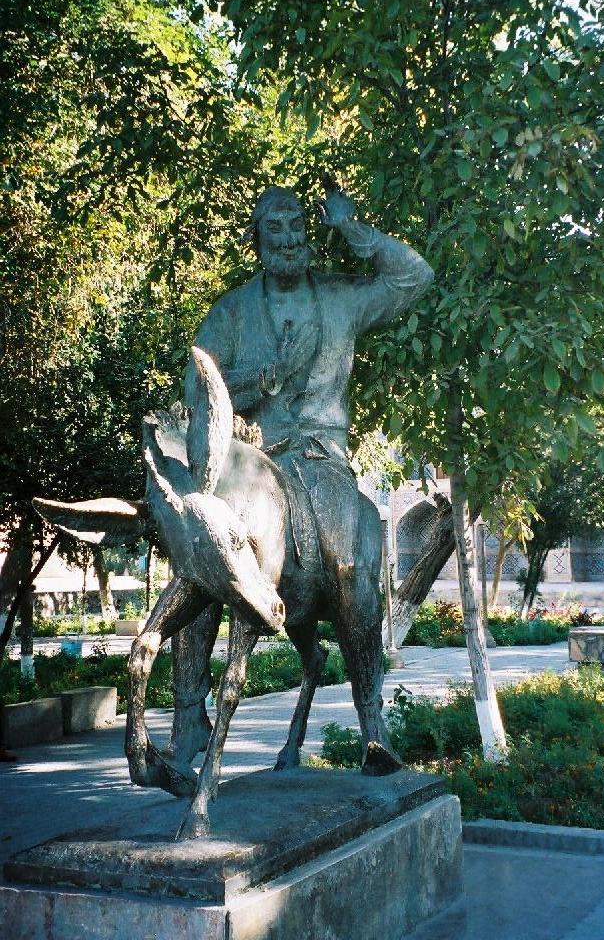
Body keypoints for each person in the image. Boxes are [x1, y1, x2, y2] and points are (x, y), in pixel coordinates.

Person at [170, 183, 434, 761]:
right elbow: (197, 389)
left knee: (349, 564)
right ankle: (188, 712)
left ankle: (372, 727)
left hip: (321, 458)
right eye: (275, 228)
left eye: (297, 227)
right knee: (198, 544)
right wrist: (258, 380)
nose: (288, 239)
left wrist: (353, 228)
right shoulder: (232, 312)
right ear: (257, 239)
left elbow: (414, 277)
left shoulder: (340, 298)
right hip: (256, 458)